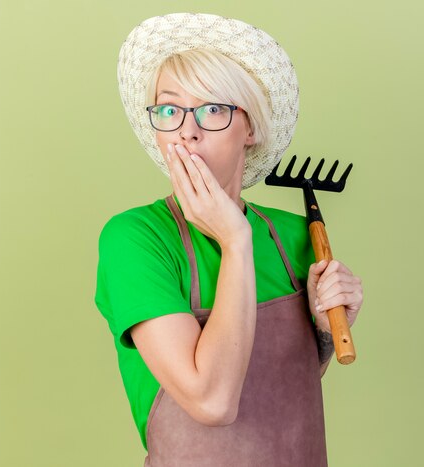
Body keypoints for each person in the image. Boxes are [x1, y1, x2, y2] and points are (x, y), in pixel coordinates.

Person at [95, 13, 363, 466]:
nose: (187, 129)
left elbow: (283, 387)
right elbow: (213, 403)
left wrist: (322, 330)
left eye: (213, 109)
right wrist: (236, 240)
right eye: (168, 108)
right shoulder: (136, 240)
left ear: (251, 128)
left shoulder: (292, 235)